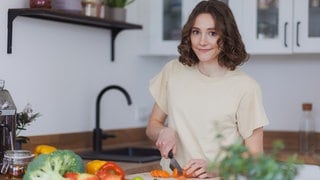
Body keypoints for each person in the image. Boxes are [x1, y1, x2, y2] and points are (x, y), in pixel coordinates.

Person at [146, 0, 269, 178]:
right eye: (196, 32)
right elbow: (152, 126)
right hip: (171, 175)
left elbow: (255, 158)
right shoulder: (173, 70)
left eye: (212, 33)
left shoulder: (246, 87)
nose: (202, 41)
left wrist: (215, 168)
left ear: (226, 36)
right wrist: (163, 131)